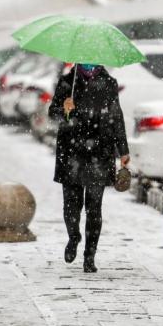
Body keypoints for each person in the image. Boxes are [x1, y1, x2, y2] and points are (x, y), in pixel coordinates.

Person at [48, 63, 130, 273]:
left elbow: (116, 117)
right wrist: (64, 111)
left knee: (94, 209)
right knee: (71, 207)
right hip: (72, 151)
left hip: (99, 152)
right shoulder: (68, 82)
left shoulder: (109, 83)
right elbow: (53, 113)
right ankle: (74, 236)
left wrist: (123, 150)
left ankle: (89, 256)